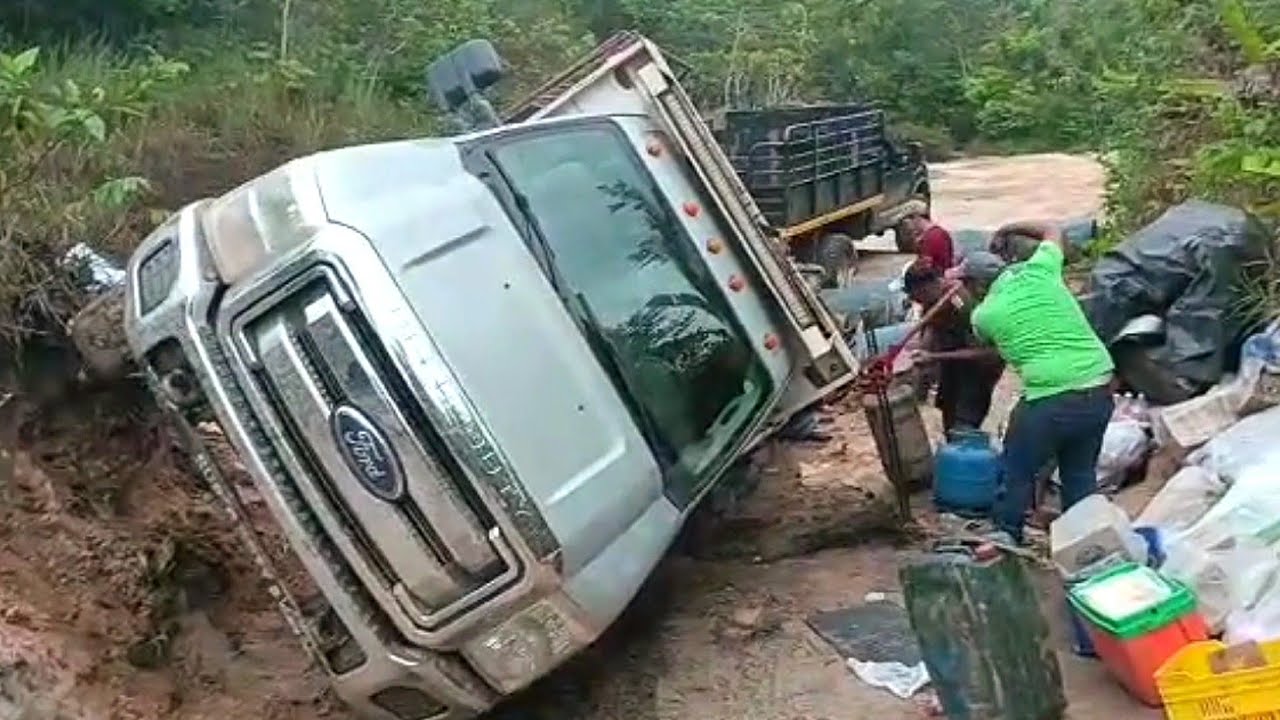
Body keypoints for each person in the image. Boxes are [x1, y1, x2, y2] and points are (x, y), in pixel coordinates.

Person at [957, 221, 1115, 545]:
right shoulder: (1042, 270)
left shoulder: (985, 315)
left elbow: (984, 344)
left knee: (1017, 466)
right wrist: (1008, 227)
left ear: (975, 286)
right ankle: (1085, 543)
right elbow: (1053, 230)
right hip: (1099, 384)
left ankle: (1006, 535)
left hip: (1050, 396)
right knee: (1079, 473)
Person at [903, 263, 1004, 434]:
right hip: (953, 363)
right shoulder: (933, 299)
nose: (916, 301)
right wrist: (921, 351)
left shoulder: (962, 304)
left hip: (978, 368)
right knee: (947, 409)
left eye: (916, 296)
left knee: (963, 421)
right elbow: (931, 328)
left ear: (927, 287)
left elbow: (985, 352)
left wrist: (933, 357)